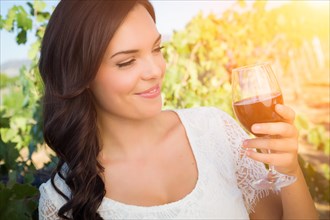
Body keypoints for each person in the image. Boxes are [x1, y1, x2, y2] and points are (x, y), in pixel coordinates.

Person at [38, 0, 318, 219]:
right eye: (126, 62)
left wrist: (289, 169)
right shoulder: (61, 200)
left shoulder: (215, 131)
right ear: (81, 77)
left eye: (157, 49)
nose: (155, 70)